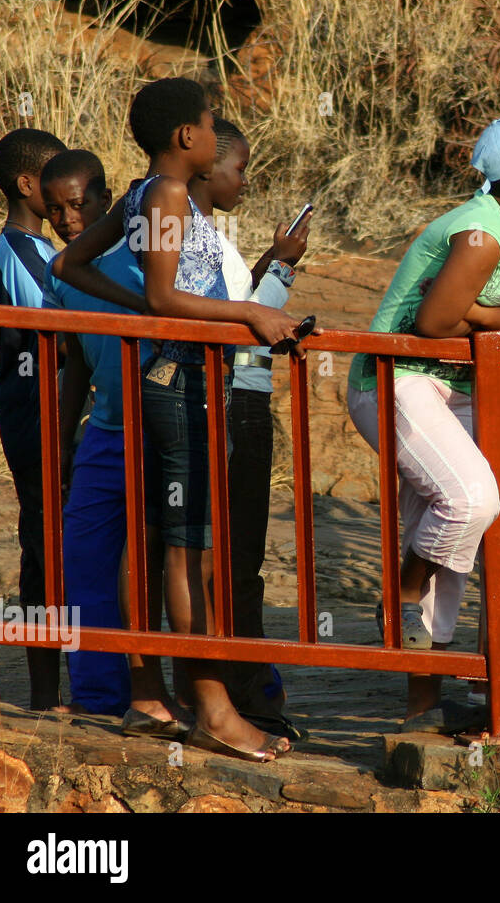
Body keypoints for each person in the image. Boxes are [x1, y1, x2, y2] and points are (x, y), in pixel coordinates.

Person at [54, 77, 303, 762]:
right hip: (184, 383)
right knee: (191, 548)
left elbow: (71, 263)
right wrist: (252, 311)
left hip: (169, 378)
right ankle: (215, 711)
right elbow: (165, 293)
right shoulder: (162, 195)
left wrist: (140, 313)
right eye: (209, 122)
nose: (213, 131)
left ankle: (156, 694)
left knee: (163, 539)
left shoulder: (142, 193)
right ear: (185, 137)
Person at [347, 112, 500, 721]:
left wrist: (481, 313)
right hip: (397, 379)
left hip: (464, 385)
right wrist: (499, 317)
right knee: (470, 499)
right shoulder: (479, 233)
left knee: (460, 519)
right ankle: (399, 597)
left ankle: (423, 704)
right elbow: (433, 324)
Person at [188, 116, 309, 740]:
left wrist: (274, 264)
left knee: (234, 559)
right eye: (239, 167)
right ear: (205, 165)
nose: (245, 180)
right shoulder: (187, 233)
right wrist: (281, 276)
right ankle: (247, 696)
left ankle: (247, 690)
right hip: (234, 404)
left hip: (236, 400)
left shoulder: (205, 234)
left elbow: (238, 305)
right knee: (234, 561)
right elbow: (242, 325)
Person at [39, 149, 135, 718]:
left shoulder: (144, 256)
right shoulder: (63, 274)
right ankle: (101, 696)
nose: (68, 219)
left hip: (162, 427)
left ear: (103, 200)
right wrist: (62, 437)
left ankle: (229, 691)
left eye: (77, 205)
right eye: (54, 211)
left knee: (188, 562)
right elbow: (74, 359)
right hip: (103, 432)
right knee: (84, 558)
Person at [0, 126, 69, 710]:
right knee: (43, 540)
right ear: (26, 184)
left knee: (52, 538)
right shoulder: (16, 248)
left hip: (51, 408)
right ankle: (45, 693)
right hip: (31, 409)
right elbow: (60, 327)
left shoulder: (42, 248)